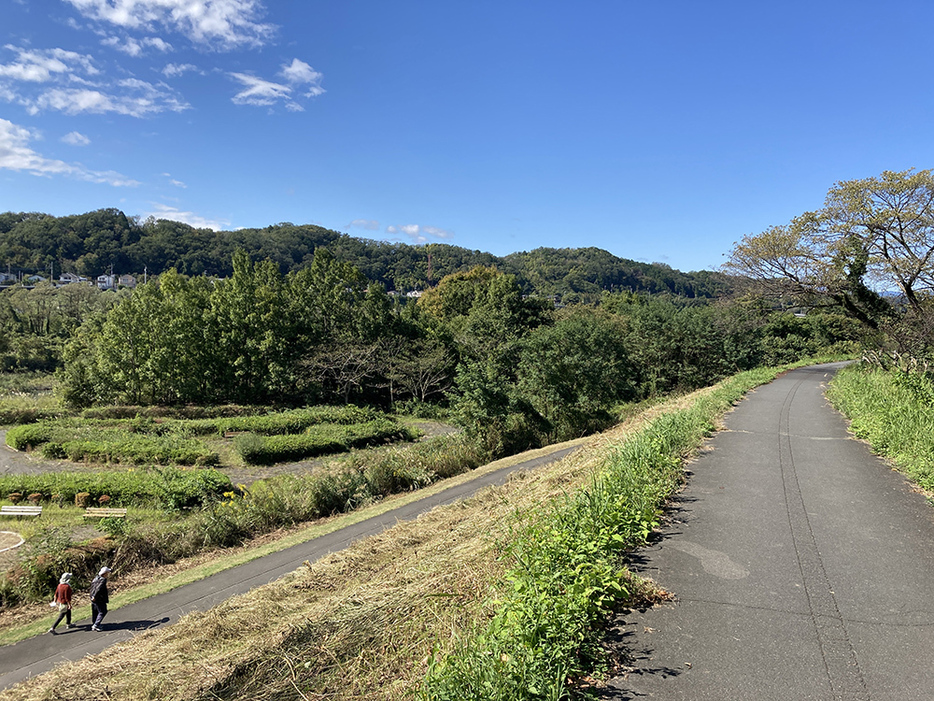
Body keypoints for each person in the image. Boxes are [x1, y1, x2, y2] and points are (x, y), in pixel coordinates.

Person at [89, 566, 111, 631]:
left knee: (95, 611)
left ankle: (95, 623)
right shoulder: (103, 580)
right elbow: (98, 589)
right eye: (107, 573)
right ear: (104, 574)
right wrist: (95, 596)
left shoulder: (96, 578)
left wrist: (92, 596)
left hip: (93, 597)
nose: (108, 574)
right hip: (99, 598)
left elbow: (92, 588)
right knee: (102, 611)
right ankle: (96, 625)